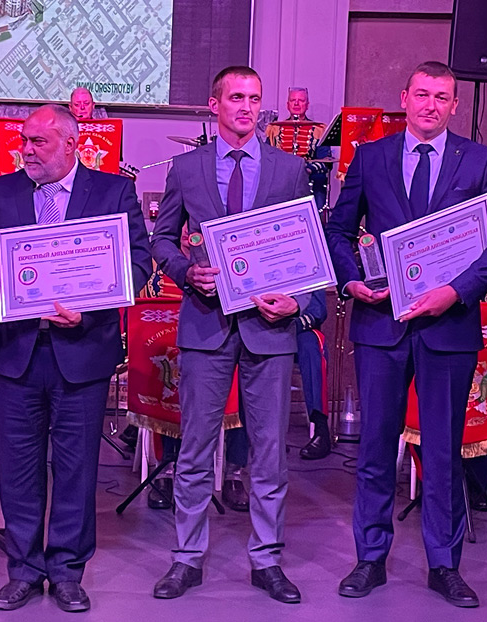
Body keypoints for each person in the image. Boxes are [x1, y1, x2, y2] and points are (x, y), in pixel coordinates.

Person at [325, 61, 487, 608]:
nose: (430, 104)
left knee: (441, 452)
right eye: (422, 94)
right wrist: (352, 280)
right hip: (381, 324)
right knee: (374, 449)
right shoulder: (371, 157)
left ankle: (444, 565)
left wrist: (456, 292)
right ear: (405, 98)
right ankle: (370, 559)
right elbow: (338, 230)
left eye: (441, 97)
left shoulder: (479, 161)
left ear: (454, 105)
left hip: (448, 326)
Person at [0, 104, 151, 612]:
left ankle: (66, 571)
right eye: (23, 141)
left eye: (37, 142)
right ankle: (23, 569)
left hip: (82, 350)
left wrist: (90, 308)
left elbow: (137, 262)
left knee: (76, 468)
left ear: (71, 143)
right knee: (18, 468)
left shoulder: (113, 192)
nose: (26, 150)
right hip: (15, 351)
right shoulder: (1, 191)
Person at [150, 65, 311, 604]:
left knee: (269, 453)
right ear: (214, 103)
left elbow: (306, 247)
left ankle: (267, 560)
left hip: (270, 327)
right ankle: (186, 558)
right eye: (236, 97)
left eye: (254, 98)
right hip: (206, 323)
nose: (246, 107)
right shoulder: (186, 168)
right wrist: (184, 271)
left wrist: (299, 301)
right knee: (196, 449)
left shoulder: (290, 169)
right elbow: (162, 239)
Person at [266, 87, 333, 210]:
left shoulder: (319, 130)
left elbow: (326, 162)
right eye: (293, 100)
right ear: (288, 105)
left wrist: (306, 170)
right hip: (280, 180)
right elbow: (266, 157)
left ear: (307, 105)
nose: (296, 104)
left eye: (301, 100)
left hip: (309, 179)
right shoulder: (274, 129)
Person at [296, 293, 331, 459]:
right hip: (265, 329)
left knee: (312, 346)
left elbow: (318, 311)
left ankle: (321, 429)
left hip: (298, 328)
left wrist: (293, 324)